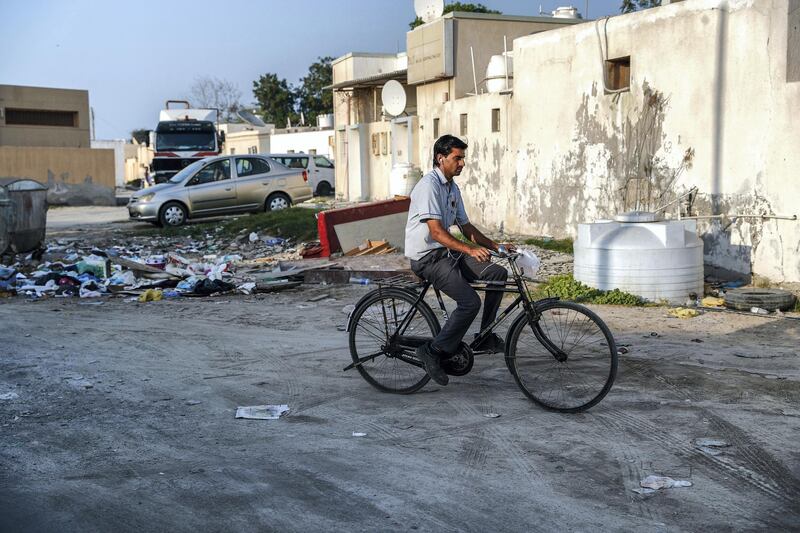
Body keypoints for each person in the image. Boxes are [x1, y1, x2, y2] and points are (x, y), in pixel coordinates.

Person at [404, 134, 515, 386]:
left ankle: (484, 336)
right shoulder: (428, 186)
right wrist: (469, 250)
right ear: (440, 158)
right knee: (469, 302)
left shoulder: (452, 187)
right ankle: (432, 351)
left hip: (445, 253)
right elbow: (436, 232)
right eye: (458, 158)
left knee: (497, 274)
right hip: (427, 258)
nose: (462, 163)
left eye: (463, 158)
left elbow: (465, 227)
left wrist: (496, 246)